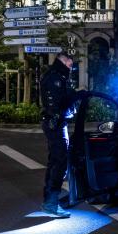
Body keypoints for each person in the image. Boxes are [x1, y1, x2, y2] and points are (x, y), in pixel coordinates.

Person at [39, 52, 83, 218]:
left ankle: (50, 199)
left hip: (56, 123)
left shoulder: (56, 76)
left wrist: (76, 96)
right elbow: (55, 104)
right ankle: (51, 203)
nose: (71, 67)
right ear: (63, 60)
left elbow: (63, 99)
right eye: (70, 64)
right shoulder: (55, 78)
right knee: (59, 161)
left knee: (55, 161)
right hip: (55, 124)